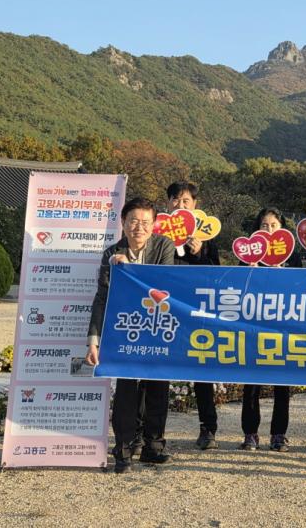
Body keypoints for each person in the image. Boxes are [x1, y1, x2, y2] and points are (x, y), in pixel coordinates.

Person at [85, 197, 175, 474]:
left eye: (146, 222)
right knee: (126, 391)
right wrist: (94, 340)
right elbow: (102, 298)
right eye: (133, 221)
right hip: (126, 330)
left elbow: (164, 282)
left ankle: (153, 446)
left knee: (158, 388)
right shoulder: (111, 253)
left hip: (158, 328)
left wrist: (130, 270)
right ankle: (123, 450)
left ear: (154, 224)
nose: (139, 227)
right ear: (123, 222)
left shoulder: (164, 246)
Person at [239, 206, 303, 452]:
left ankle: (278, 434)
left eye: (274, 225)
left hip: (283, 324)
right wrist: (251, 271)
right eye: (264, 225)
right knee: (251, 381)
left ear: (282, 228)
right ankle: (250, 433)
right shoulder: (248, 254)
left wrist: (282, 275)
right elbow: (236, 286)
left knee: (282, 381)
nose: (269, 230)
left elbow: (301, 286)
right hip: (254, 323)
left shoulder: (292, 255)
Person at [166, 181, 222, 451]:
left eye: (185, 200)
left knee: (202, 371)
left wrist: (199, 253)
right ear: (167, 204)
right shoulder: (158, 234)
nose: (180, 205)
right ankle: (149, 431)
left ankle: (208, 428)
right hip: (163, 310)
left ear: (195, 205)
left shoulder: (207, 237)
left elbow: (216, 276)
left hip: (197, 313)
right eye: (175, 200)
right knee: (156, 370)